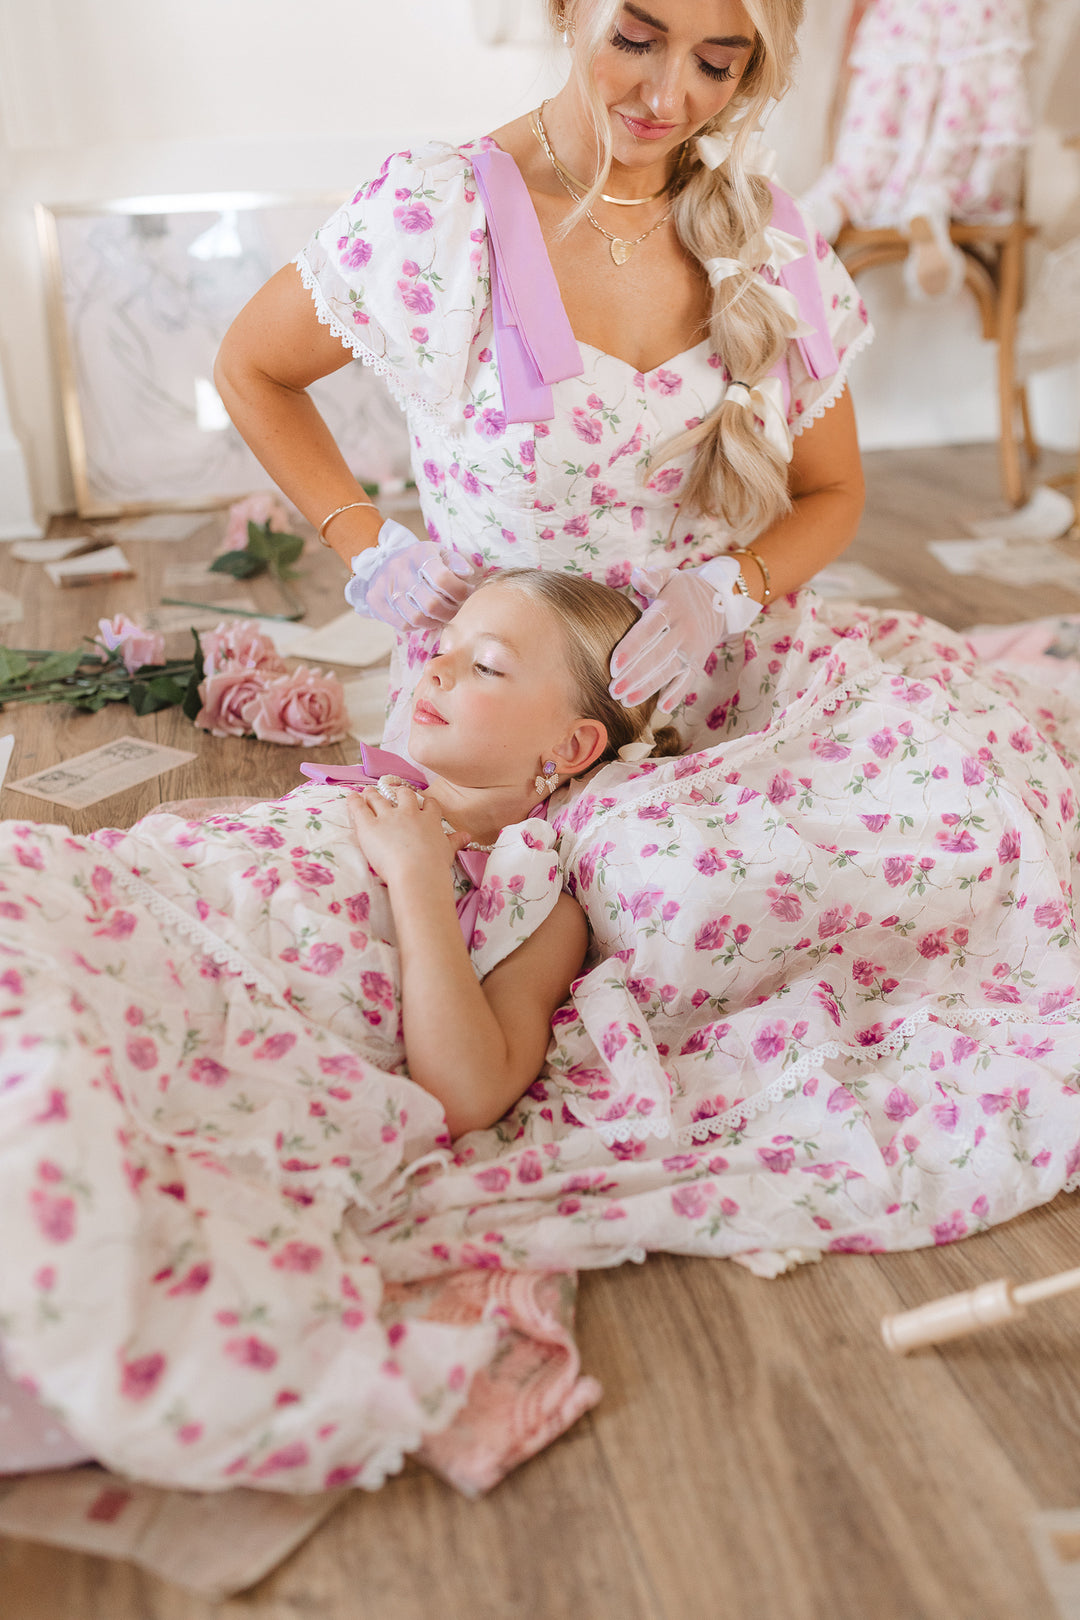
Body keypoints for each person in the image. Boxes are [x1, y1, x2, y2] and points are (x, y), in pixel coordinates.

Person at [0, 572, 670, 1490]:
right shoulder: (363, 786)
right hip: (110, 906)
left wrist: (419, 881)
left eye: (482, 665)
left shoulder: (530, 890)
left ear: (571, 743)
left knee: (45, 1100)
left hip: (209, 1011)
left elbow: (469, 1092)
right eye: (443, 647)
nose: (434, 670)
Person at [214, 0, 872, 750]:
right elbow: (251, 367)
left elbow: (834, 490)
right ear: (566, 10)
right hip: (508, 734)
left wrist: (728, 592)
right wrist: (369, 546)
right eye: (634, 41)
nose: (666, 98)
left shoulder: (776, 238)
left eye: (715, 65)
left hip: (746, 702)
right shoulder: (440, 215)